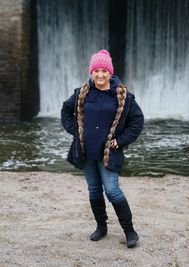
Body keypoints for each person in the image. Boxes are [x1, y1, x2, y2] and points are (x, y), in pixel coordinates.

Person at [61, 50, 144, 248]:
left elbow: (137, 121)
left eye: (104, 71)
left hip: (109, 152)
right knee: (94, 189)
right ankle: (101, 227)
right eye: (96, 70)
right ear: (91, 72)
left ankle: (130, 231)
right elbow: (65, 110)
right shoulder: (82, 93)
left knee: (113, 190)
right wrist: (76, 131)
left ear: (110, 72)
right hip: (86, 151)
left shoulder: (122, 95)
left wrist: (121, 140)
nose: (99, 75)